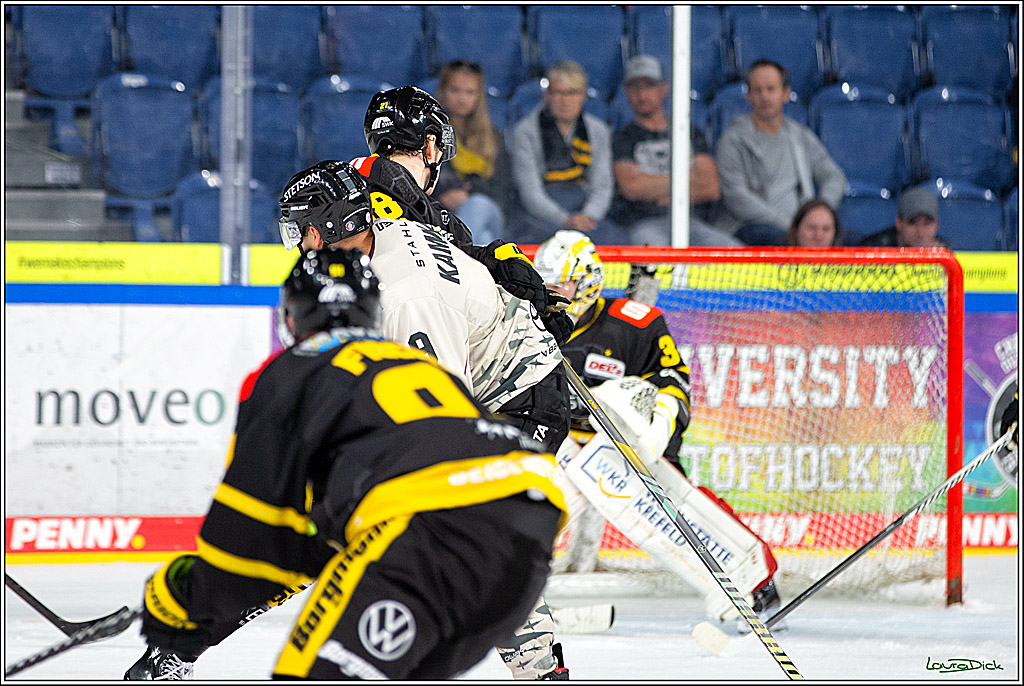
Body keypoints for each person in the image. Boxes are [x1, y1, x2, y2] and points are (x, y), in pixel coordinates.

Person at [128, 247, 566, 680]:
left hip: (425, 528)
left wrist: (185, 604)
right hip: (531, 515)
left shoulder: (289, 372)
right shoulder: (423, 366)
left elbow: (249, 533)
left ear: (292, 317)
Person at [281, 161, 572, 679]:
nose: (299, 247)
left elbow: (444, 415)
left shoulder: (409, 296)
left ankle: (534, 663)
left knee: (461, 523)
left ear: (338, 225)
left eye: (301, 230)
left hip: (520, 397)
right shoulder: (380, 242)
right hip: (491, 380)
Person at [533, 230, 784, 629]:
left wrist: (660, 423)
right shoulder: (531, 325)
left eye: (560, 285)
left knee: (679, 513)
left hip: (625, 448)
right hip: (561, 449)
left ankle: (756, 580)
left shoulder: (634, 323)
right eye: (546, 285)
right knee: (531, 517)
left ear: (586, 281)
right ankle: (504, 594)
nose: (553, 294)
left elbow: (673, 380)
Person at [346, 84, 572, 347]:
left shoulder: (350, 191)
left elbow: (444, 252)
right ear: (430, 146)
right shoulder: (398, 200)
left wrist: (493, 262)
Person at [609, 55, 742, 247]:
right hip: (644, 224)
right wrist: (685, 184)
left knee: (735, 253)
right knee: (654, 257)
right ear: (626, 92)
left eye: (649, 85)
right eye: (634, 87)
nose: (642, 94)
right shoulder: (623, 136)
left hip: (693, 223)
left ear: (664, 88)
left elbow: (710, 187)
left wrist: (655, 188)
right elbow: (631, 187)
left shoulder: (687, 131)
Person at [716, 59, 846, 246]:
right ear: (749, 96)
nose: (765, 97)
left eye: (771, 89)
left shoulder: (801, 136)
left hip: (802, 228)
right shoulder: (732, 140)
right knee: (770, 237)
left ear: (786, 93)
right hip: (753, 227)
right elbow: (736, 196)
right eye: (757, 90)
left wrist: (817, 215)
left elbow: (834, 177)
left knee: (855, 240)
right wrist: (794, 226)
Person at [507, 60, 622, 245]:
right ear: (548, 95)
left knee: (615, 239)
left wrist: (588, 215)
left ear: (583, 96)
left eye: (572, 93)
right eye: (559, 93)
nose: (565, 101)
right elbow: (531, 193)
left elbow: (602, 185)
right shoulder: (525, 131)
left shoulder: (598, 130)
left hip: (585, 213)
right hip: (540, 217)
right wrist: (564, 219)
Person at [431, 60, 512, 245]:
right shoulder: (430, 135)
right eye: (455, 90)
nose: (462, 98)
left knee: (478, 204)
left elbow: (504, 190)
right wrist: (443, 198)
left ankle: (454, 257)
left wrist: (469, 193)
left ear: (478, 97)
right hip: (443, 218)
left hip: (490, 213)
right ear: (443, 92)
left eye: (470, 92)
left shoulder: (494, 138)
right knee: (483, 240)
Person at [858, 187, 952, 248]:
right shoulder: (873, 249)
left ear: (937, 225)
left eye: (927, 223)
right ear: (898, 222)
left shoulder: (945, 253)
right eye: (912, 222)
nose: (920, 232)